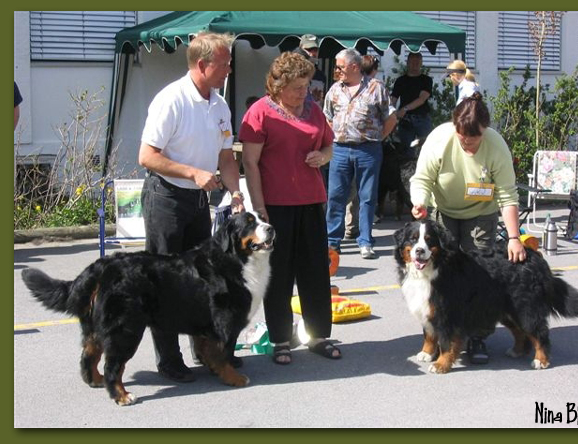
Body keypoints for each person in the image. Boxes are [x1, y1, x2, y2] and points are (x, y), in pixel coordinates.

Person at [138, 32, 245, 383]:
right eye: (225, 62)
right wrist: (193, 172)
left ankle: (208, 352)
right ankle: (169, 360)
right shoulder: (171, 99)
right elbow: (147, 156)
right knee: (164, 281)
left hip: (199, 200)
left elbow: (227, 157)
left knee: (204, 279)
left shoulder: (220, 104)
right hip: (166, 198)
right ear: (202, 65)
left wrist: (237, 193)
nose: (229, 68)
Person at [409, 92, 526, 364]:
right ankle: (435, 337)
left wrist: (513, 237)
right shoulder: (439, 139)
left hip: (481, 215)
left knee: (478, 278)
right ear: (455, 128)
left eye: (474, 140)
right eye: (463, 138)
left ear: (485, 130)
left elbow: (507, 196)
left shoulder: (497, 146)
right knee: (438, 279)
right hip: (442, 212)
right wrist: (419, 203)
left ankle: (477, 337)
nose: (468, 145)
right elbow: (422, 178)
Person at [239, 52, 341, 365]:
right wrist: (259, 206)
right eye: (297, 87)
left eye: (306, 86)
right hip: (275, 205)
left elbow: (328, 144)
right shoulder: (259, 113)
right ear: (278, 85)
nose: (304, 93)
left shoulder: (313, 110)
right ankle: (280, 339)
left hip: (311, 200)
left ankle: (319, 336)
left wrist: (323, 157)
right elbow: (250, 163)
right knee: (279, 275)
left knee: (314, 271)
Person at [324, 48, 391, 259]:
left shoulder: (376, 88)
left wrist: (379, 138)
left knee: (367, 197)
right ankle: (332, 242)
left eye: (340, 66)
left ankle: (365, 241)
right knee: (335, 196)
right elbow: (327, 116)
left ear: (354, 66)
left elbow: (390, 117)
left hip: (368, 149)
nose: (337, 70)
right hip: (340, 149)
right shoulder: (334, 89)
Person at [345, 55, 398, 238]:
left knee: (351, 191)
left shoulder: (352, 86)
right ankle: (356, 230)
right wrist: (380, 137)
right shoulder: (376, 87)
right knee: (362, 192)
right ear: (373, 68)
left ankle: (352, 227)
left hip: (354, 146)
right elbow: (391, 117)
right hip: (365, 147)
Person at [391, 52, 433, 155]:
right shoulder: (400, 80)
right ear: (407, 62)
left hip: (422, 119)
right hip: (405, 121)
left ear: (421, 63)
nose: (415, 64)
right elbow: (393, 100)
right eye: (413, 62)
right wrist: (391, 115)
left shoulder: (426, 80)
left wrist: (405, 109)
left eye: (418, 62)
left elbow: (422, 98)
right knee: (406, 151)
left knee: (427, 150)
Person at [293, 34, 327, 107]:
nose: (312, 54)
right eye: (308, 49)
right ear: (300, 49)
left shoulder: (321, 76)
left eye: (315, 50)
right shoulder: (292, 73)